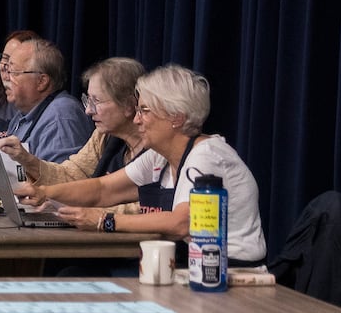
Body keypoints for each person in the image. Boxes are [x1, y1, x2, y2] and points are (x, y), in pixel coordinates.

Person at [17, 64, 266, 264]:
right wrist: (43, 192)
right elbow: (103, 189)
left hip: (228, 272)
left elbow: (181, 223)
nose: (136, 120)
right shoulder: (158, 156)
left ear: (176, 118)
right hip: (188, 265)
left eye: (144, 111)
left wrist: (105, 221)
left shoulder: (207, 156)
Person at [0, 56, 146, 190]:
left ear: (128, 105)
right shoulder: (102, 136)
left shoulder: (156, 147)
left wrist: (91, 212)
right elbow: (70, 175)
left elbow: (142, 207)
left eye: (97, 101)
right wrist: (27, 159)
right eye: (88, 100)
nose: (88, 111)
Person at [0, 37, 92, 163]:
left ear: (42, 81)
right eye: (7, 71)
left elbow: (61, 180)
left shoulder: (60, 116)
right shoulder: (22, 114)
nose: (6, 77)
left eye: (14, 72)